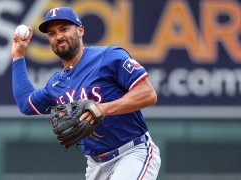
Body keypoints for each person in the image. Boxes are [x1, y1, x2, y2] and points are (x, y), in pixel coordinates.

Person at [11, 6, 161, 180]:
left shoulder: (109, 56)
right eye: (51, 33)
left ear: (80, 30)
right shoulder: (56, 84)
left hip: (132, 153)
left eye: (64, 29)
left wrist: (103, 109)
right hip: (95, 165)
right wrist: (18, 56)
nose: (58, 36)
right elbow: (25, 103)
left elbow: (148, 94)